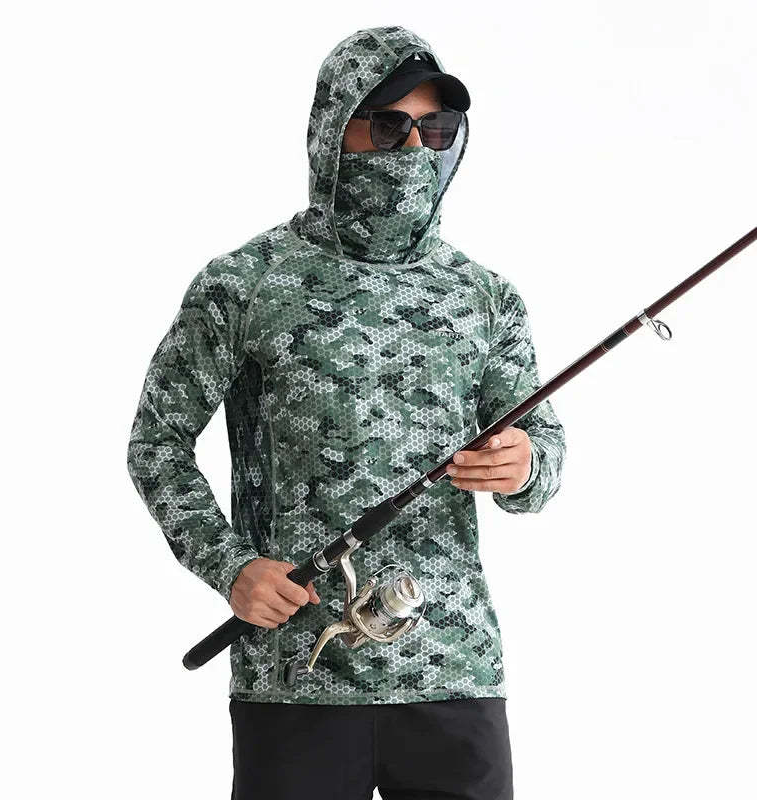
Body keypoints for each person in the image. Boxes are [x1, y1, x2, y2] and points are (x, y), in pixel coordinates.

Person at [127, 25, 565, 800]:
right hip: (296, 677)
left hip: (454, 672)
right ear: (334, 132)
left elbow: (543, 452)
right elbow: (157, 444)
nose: (414, 150)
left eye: (435, 129)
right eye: (390, 127)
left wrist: (525, 463)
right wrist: (231, 567)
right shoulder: (245, 283)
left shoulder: (485, 296)